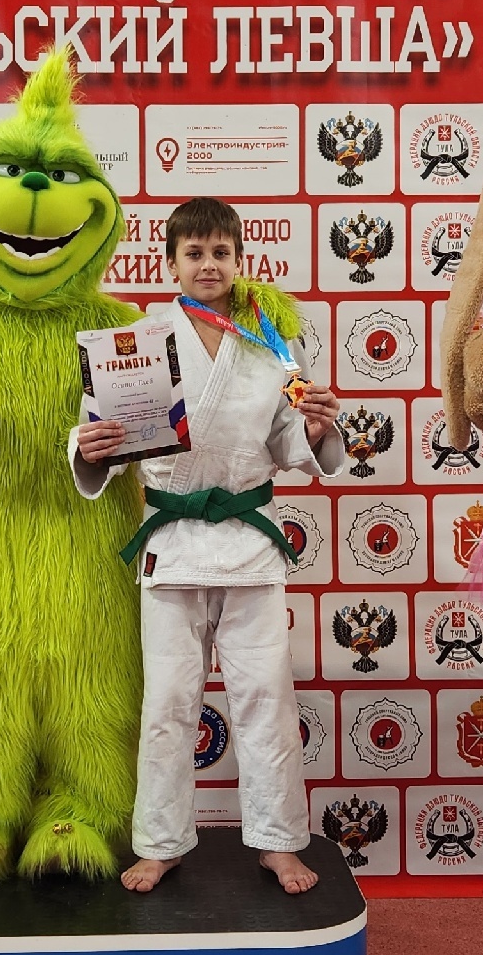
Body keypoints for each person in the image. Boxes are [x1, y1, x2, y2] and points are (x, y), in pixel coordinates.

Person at [73, 198, 344, 895]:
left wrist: (314, 429)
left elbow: (288, 442)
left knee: (266, 698)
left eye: (222, 252)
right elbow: (104, 435)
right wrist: (91, 445)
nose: (209, 265)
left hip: (249, 541)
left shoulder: (271, 343)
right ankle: (160, 843)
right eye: (194, 253)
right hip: (172, 540)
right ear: (171, 263)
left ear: (240, 260)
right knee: (168, 702)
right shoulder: (138, 341)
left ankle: (279, 842)